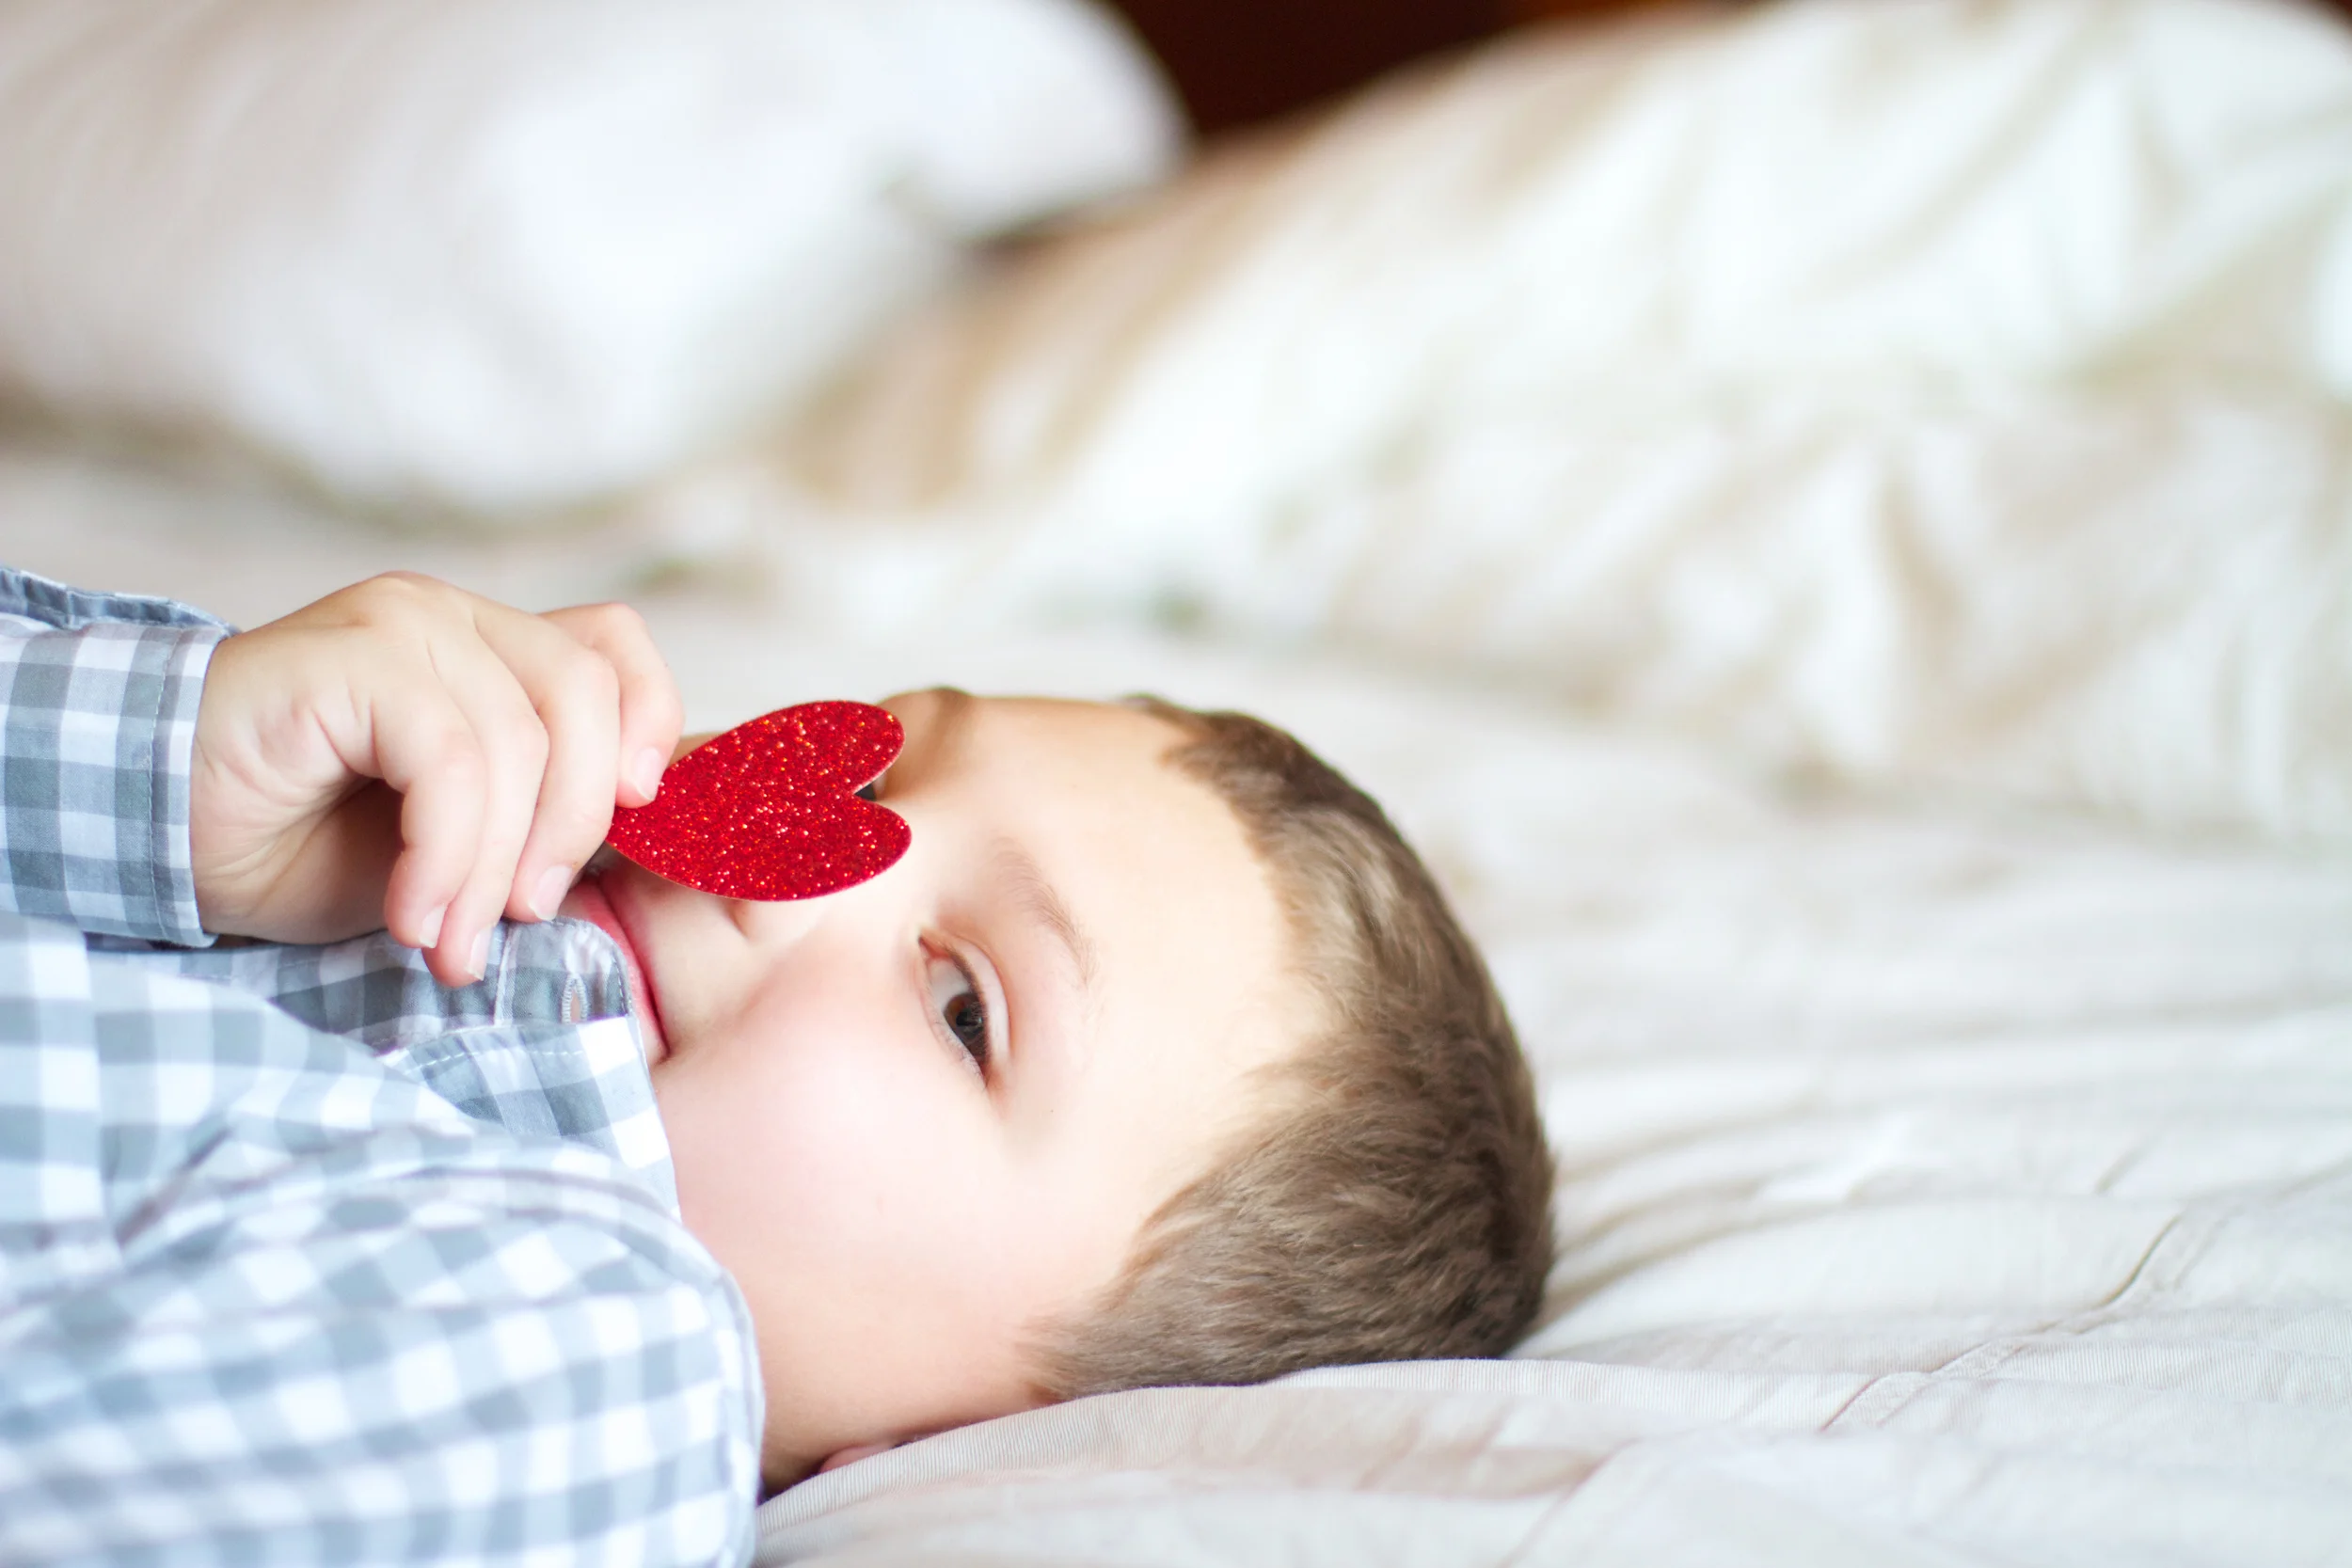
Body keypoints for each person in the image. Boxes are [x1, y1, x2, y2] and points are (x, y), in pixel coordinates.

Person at [0, 565, 1552, 1562]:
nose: (783, 866)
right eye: (870, 762)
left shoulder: (605, 1366)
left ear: (977, 1441)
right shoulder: (293, 834)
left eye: (966, 1014)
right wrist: (153, 772)